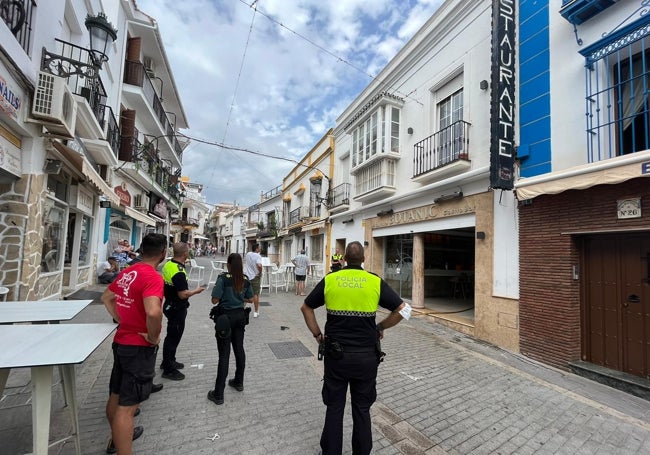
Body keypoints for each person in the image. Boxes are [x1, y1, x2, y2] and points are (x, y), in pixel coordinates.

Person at [300, 241, 411, 455]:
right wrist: (380, 326)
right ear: (363, 259)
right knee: (362, 409)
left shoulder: (331, 280)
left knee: (334, 408)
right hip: (366, 358)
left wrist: (317, 335)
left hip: (335, 357)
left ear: (343, 260)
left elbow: (306, 307)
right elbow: (404, 310)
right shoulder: (374, 281)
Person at [101, 233, 168, 455]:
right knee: (127, 408)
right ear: (163, 254)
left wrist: (122, 320)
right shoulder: (153, 277)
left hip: (121, 342)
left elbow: (106, 298)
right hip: (138, 348)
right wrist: (152, 335)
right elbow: (153, 310)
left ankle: (114, 440)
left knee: (116, 394)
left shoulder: (128, 271)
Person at [207, 253, 254, 406]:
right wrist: (240, 299)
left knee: (224, 354)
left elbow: (214, 299)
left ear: (228, 265)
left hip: (225, 319)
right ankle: (238, 381)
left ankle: (218, 393)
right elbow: (251, 299)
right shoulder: (245, 279)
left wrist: (226, 297)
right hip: (240, 317)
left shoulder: (223, 278)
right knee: (239, 349)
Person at [160, 242, 206, 380]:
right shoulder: (179, 271)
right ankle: (168, 369)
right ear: (185, 254)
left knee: (171, 336)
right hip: (176, 308)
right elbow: (183, 294)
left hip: (169, 304)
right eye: (188, 251)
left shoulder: (169, 264)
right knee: (173, 337)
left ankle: (169, 361)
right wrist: (196, 291)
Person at [244, 243, 263, 318]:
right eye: (259, 248)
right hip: (255, 276)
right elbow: (259, 265)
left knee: (245, 293)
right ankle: (256, 311)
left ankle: (242, 308)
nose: (260, 249)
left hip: (247, 276)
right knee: (256, 294)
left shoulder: (248, 254)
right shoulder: (258, 256)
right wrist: (260, 272)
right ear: (256, 249)